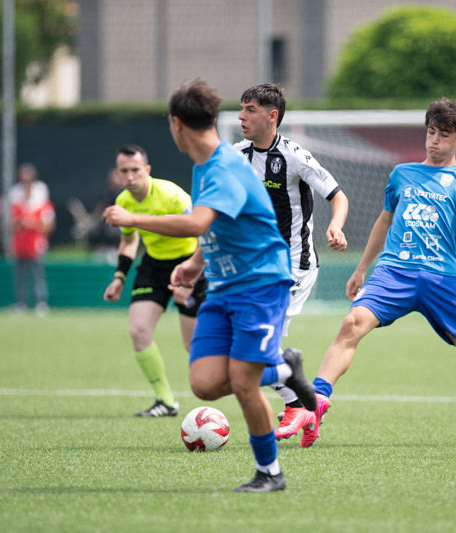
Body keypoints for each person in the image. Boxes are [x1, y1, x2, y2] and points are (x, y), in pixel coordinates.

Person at [102, 78, 317, 493]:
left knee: (243, 381)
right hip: (222, 286)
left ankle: (269, 473)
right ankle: (285, 368)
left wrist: (133, 219)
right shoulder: (204, 166)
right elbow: (215, 226)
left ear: (176, 124)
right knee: (203, 383)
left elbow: (197, 222)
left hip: (261, 283)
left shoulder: (224, 166)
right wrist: (195, 264)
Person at [301, 98, 456, 449]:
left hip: (443, 279)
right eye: (431, 132)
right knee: (351, 324)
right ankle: (315, 404)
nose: (434, 140)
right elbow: (385, 220)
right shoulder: (402, 174)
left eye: (444, 134)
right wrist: (362, 268)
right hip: (395, 271)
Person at [234, 83, 349, 440]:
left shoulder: (295, 156)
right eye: (241, 108)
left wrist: (335, 226)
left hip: (293, 266)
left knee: (257, 343)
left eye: (250, 110)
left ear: (272, 116)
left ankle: (297, 405)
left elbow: (338, 196)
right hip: (256, 267)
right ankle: (307, 406)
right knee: (244, 343)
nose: (241, 116)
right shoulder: (236, 156)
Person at [102, 144, 208, 418]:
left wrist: (193, 273)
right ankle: (166, 401)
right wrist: (119, 277)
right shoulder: (123, 202)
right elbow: (129, 241)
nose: (130, 176)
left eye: (135, 170)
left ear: (147, 169)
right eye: (124, 171)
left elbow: (205, 233)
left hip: (188, 264)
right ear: (117, 173)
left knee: (193, 346)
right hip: (153, 265)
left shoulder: (172, 195)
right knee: (138, 331)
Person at [9, 163, 55, 316]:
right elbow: (11, 225)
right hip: (20, 244)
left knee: (38, 275)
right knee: (20, 276)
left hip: (37, 245)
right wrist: (20, 223)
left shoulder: (42, 201)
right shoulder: (15, 200)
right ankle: (20, 303)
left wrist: (31, 223)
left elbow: (49, 225)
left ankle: (41, 303)